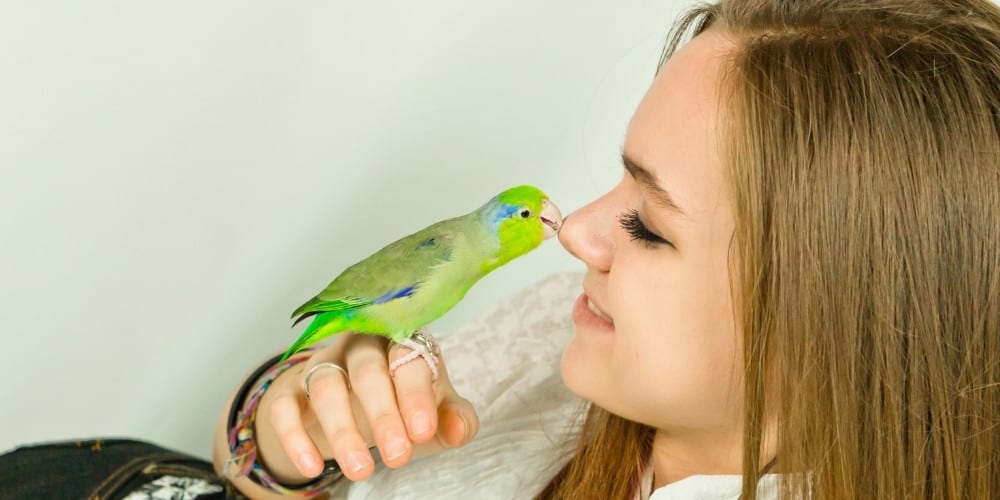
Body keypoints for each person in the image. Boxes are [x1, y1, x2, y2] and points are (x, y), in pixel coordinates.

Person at [212, 0, 1000, 498]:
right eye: (617, 182)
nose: (581, 233)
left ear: (831, 317)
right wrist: (292, 432)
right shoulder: (564, 322)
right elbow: (240, 456)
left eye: (649, 225)